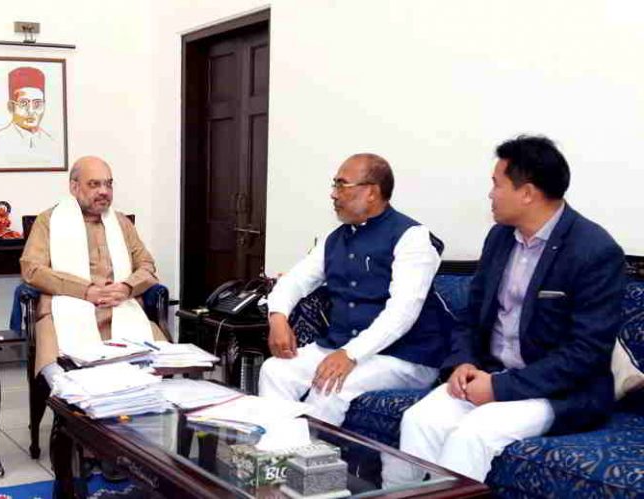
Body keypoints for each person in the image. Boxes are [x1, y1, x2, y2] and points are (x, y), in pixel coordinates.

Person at [384, 135, 624, 484]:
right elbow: (471, 315)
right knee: (420, 420)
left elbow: (586, 353)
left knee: (473, 434)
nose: (490, 194)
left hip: (557, 393)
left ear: (526, 193)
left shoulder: (594, 251)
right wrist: (463, 362)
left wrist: (501, 389)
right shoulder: (499, 237)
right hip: (490, 375)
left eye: (497, 184)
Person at [258, 153, 449, 426]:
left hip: (403, 356)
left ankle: (312, 464)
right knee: (275, 371)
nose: (333, 195)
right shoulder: (334, 238)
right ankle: (279, 456)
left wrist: (351, 354)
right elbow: (296, 280)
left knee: (328, 387)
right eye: (334, 185)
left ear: (371, 192)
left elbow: (403, 312)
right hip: (342, 346)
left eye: (341, 185)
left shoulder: (412, 237)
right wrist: (277, 317)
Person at [20, 156, 166, 385]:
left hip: (120, 307)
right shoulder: (49, 220)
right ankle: (70, 406)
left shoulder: (121, 223)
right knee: (63, 376)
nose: (104, 191)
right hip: (65, 307)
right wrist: (85, 290)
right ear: (74, 187)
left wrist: (127, 288)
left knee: (162, 361)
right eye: (94, 184)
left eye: (108, 184)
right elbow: (32, 269)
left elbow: (147, 266)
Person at [0, 66, 63, 168]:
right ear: (11, 107)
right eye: (24, 104)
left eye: (37, 104)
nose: (31, 111)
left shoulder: (53, 143)